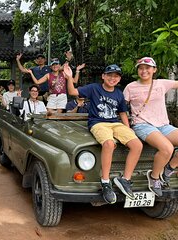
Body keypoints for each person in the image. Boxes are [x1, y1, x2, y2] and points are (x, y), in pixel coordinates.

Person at [65, 64, 143, 204]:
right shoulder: (94, 88)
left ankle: (125, 179)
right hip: (98, 123)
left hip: (116, 123)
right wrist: (70, 77)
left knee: (137, 144)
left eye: (116, 76)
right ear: (103, 76)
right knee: (109, 143)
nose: (113, 78)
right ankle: (106, 182)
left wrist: (128, 128)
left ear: (119, 79)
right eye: (110, 75)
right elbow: (72, 91)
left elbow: (122, 112)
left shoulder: (119, 93)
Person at [124, 57, 178, 197]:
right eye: (141, 68)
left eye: (147, 68)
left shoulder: (161, 84)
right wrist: (126, 126)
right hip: (142, 125)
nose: (144, 71)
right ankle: (154, 178)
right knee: (167, 148)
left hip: (163, 125)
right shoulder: (130, 87)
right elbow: (121, 108)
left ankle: (169, 168)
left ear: (154, 70)